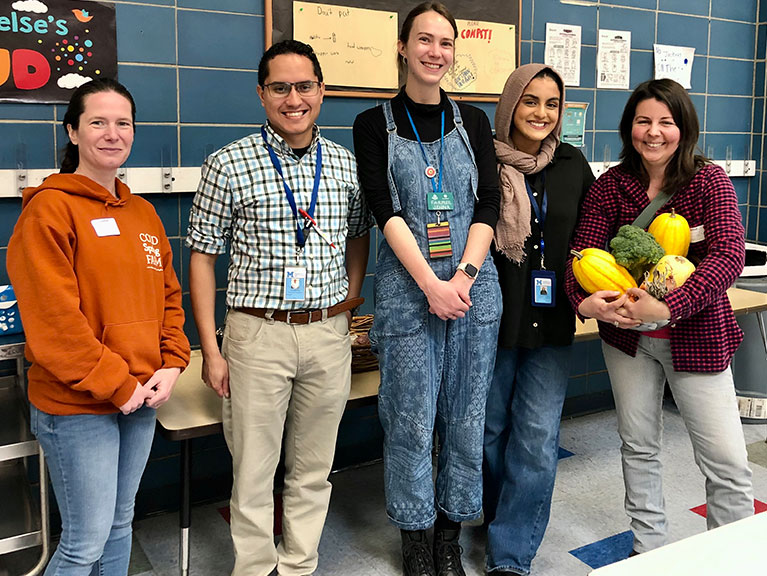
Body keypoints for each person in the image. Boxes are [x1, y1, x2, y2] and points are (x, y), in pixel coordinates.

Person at [187, 40, 372, 576]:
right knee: (252, 471)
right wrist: (211, 349)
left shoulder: (344, 164)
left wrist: (347, 303)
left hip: (326, 334)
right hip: (256, 335)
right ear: (262, 94)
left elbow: (359, 236)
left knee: (313, 468)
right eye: (280, 87)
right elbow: (202, 258)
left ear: (322, 91)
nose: (294, 98)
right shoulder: (227, 163)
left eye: (304, 86)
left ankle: (297, 565)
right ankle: (254, 569)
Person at [7, 78, 190, 575]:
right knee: (83, 543)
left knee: (118, 526)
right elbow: (54, 325)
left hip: (141, 398)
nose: (113, 133)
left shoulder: (143, 213)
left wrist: (172, 364)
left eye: (123, 123)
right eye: (98, 122)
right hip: (78, 406)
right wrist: (118, 385)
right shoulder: (48, 210)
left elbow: (170, 299)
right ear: (72, 131)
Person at [565, 78, 754, 555]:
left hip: (697, 337)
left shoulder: (708, 180)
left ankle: (733, 557)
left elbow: (729, 253)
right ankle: (647, 551)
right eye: (643, 121)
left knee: (727, 461)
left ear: (682, 128)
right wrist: (583, 302)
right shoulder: (611, 186)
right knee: (639, 445)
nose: (654, 132)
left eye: (665, 122)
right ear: (629, 127)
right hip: (626, 339)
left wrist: (670, 305)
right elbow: (579, 253)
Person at [353, 3, 502, 575]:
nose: (434, 52)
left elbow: (487, 203)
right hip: (408, 291)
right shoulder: (373, 124)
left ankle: (448, 535)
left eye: (445, 42)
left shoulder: (475, 123)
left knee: (466, 419)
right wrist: (430, 285)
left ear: (453, 52)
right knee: (410, 419)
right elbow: (383, 208)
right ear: (402, 46)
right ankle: (415, 538)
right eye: (424, 40)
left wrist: (460, 277)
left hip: (473, 290)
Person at [482, 64, 594, 576]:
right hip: (490, 321)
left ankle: (511, 555)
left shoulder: (573, 164)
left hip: (551, 324)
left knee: (536, 438)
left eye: (552, 103)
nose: (542, 113)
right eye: (530, 101)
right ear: (510, 104)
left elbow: (594, 237)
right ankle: (489, 513)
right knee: (487, 431)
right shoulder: (482, 157)